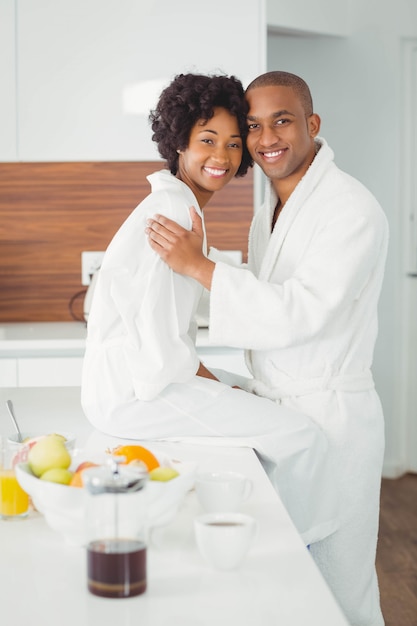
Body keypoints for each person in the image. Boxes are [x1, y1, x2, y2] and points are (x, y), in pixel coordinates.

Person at [146, 71, 389, 626]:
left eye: (281, 120)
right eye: (251, 126)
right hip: (284, 413)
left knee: (341, 589)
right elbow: (263, 301)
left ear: (312, 124)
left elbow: (297, 314)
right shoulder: (270, 212)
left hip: (333, 421)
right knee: (288, 585)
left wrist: (200, 267)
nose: (264, 138)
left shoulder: (351, 208)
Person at [81, 72, 338, 549]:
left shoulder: (179, 205)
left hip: (132, 385)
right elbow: (160, 347)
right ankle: (296, 557)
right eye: (207, 140)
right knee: (302, 438)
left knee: (257, 397)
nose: (222, 156)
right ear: (179, 142)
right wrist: (213, 384)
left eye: (235, 143)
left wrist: (224, 386)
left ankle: (266, 531)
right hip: (136, 395)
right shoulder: (176, 212)